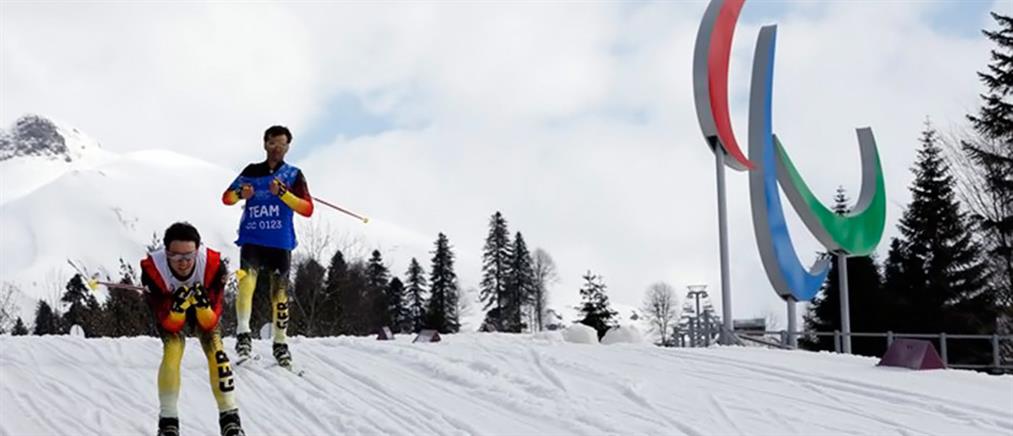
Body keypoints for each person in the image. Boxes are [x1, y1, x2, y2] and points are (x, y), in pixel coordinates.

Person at [222, 125, 313, 369]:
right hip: (252, 239)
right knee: (246, 286)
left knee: (280, 296)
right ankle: (243, 337)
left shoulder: (294, 174)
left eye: (282, 144)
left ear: (288, 147)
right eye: (273, 143)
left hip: (280, 243)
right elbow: (226, 198)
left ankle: (281, 344)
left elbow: (307, 209)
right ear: (265, 144)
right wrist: (242, 193)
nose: (277, 149)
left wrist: (283, 194)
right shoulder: (251, 171)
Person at [141, 222, 244, 436]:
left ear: (198, 251)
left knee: (218, 353)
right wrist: (177, 310)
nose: (184, 263)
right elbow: (167, 322)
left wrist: (203, 306)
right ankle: (168, 422)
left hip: (202, 311)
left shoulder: (213, 266)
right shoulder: (153, 270)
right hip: (171, 312)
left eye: (189, 256)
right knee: (172, 352)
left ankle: (230, 420)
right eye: (176, 258)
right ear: (166, 253)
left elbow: (210, 321)